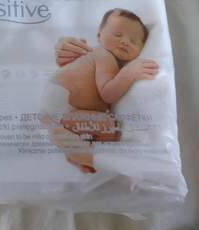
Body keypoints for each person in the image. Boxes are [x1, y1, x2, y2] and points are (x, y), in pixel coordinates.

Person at [42, 9, 159, 173]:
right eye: (118, 35)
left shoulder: (101, 57)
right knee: (111, 129)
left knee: (100, 129)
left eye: (133, 41)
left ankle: (74, 149)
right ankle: (65, 137)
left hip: (63, 105)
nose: (125, 41)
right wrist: (129, 73)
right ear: (99, 34)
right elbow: (108, 94)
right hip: (64, 107)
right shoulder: (105, 55)